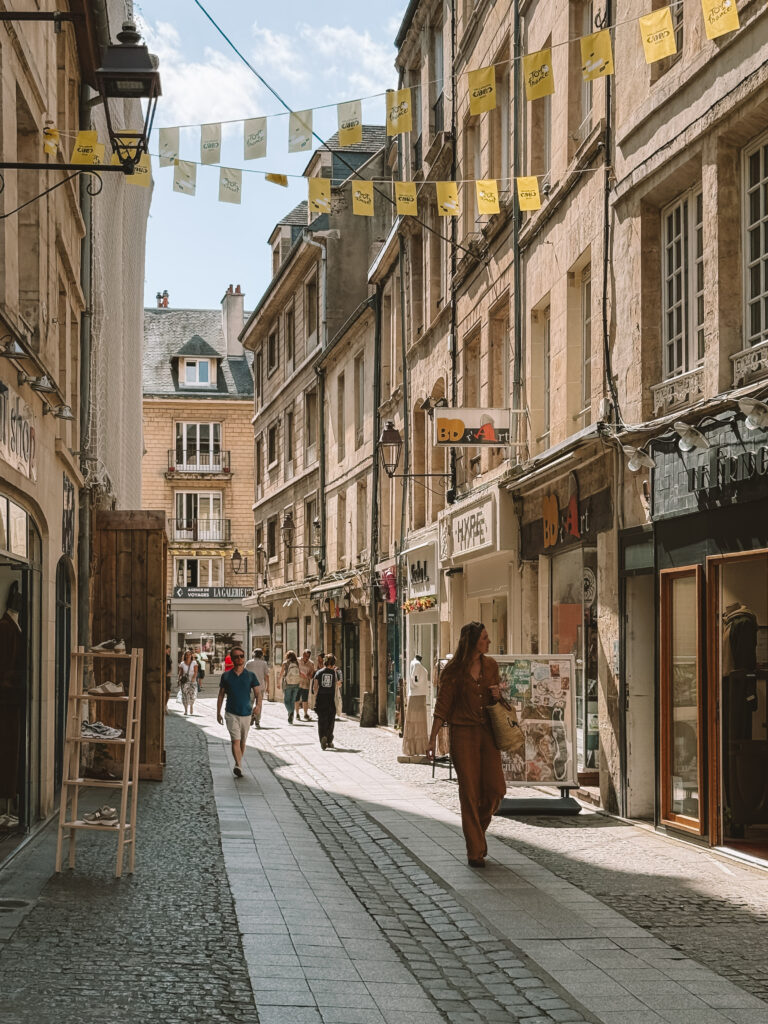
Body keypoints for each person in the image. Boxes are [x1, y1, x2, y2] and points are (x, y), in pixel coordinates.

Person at [427, 622, 505, 868]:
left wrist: (498, 695)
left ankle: (477, 834)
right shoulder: (453, 671)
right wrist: (432, 739)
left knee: (496, 790)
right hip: (463, 735)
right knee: (469, 792)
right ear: (472, 642)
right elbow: (442, 707)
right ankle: (475, 850)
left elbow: (502, 698)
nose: (489, 642)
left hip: (488, 734)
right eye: (484, 638)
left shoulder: (491, 665)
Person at [216, 645, 259, 778]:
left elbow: (258, 693)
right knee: (235, 740)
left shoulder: (250, 675)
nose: (239, 659)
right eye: (236, 657)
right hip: (231, 712)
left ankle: (238, 763)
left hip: (246, 713)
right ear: (232, 659)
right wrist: (218, 712)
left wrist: (258, 706)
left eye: (241, 656)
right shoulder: (226, 676)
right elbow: (221, 695)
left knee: (242, 741)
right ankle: (238, 765)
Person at [402, 653, 429, 755]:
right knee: (418, 722)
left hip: (415, 694)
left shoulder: (413, 663)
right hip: (418, 695)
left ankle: (413, 748)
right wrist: (418, 684)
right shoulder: (417, 664)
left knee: (414, 723)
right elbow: (415, 678)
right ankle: (418, 749)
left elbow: (414, 678)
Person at [313, 655, 340, 750]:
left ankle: (322, 737)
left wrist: (316, 697)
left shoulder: (318, 672)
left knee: (321, 719)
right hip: (330, 699)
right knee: (330, 720)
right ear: (333, 663)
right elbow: (339, 684)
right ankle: (329, 739)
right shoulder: (334, 673)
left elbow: (315, 687)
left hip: (321, 698)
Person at [245, 648, 268, 728]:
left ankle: (251, 715)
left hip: (250, 687)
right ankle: (257, 721)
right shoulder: (264, 663)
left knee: (250, 703)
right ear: (261, 655)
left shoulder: (248, 663)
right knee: (259, 704)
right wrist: (267, 687)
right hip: (260, 687)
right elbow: (266, 676)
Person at [279, 650, 302, 724]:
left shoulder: (285, 663)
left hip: (287, 683)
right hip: (296, 683)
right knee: (292, 701)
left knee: (286, 701)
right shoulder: (297, 663)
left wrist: (278, 682)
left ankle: (290, 712)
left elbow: (281, 673)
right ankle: (291, 716)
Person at [296, 650, 315, 722]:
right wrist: (300, 674)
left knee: (305, 699)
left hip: (306, 683)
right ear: (303, 654)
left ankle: (305, 714)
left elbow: (312, 673)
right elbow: (294, 669)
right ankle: (297, 713)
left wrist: (309, 675)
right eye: (306, 656)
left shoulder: (311, 663)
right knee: (297, 698)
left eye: (308, 656)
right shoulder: (297, 660)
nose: (307, 658)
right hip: (297, 682)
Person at [178, 650, 198, 716]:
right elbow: (180, 673)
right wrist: (179, 680)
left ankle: (191, 705)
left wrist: (193, 679)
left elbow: (195, 672)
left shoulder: (194, 662)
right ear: (185, 655)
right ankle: (186, 710)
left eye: (189, 654)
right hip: (185, 681)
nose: (188, 656)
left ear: (191, 655)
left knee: (192, 695)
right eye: (187, 654)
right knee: (184, 696)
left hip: (192, 681)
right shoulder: (182, 663)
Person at [165, 645, 173, 713]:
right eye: (168, 650)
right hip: (162, 676)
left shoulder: (168, 657)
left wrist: (170, 673)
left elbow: (170, 666)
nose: (168, 651)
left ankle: (165, 705)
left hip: (167, 676)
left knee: (168, 692)